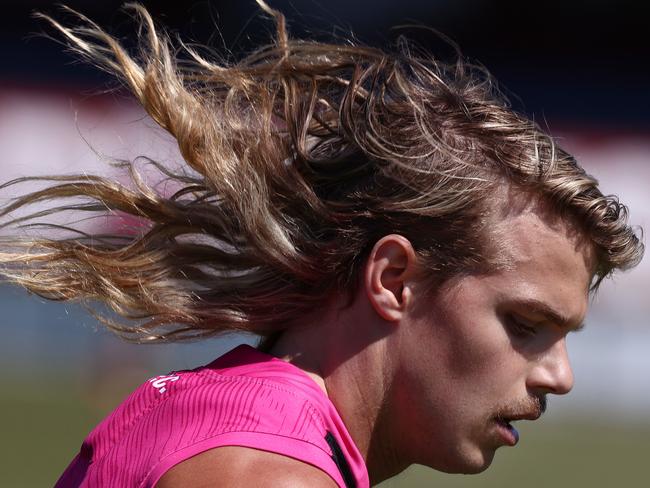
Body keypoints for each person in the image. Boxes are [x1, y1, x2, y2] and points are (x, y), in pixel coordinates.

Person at [0, 1, 643, 487]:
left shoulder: (237, 413)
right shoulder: (269, 475)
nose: (560, 377)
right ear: (393, 280)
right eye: (525, 323)